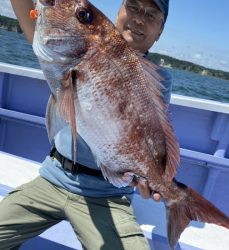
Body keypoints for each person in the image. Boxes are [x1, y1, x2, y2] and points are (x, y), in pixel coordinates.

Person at [0, 0, 171, 249]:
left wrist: (150, 177)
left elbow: (149, 140)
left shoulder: (158, 80)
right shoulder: (69, 50)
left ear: (160, 30)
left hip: (107, 195)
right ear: (119, 10)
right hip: (52, 178)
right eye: (132, 6)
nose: (138, 18)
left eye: (151, 14)